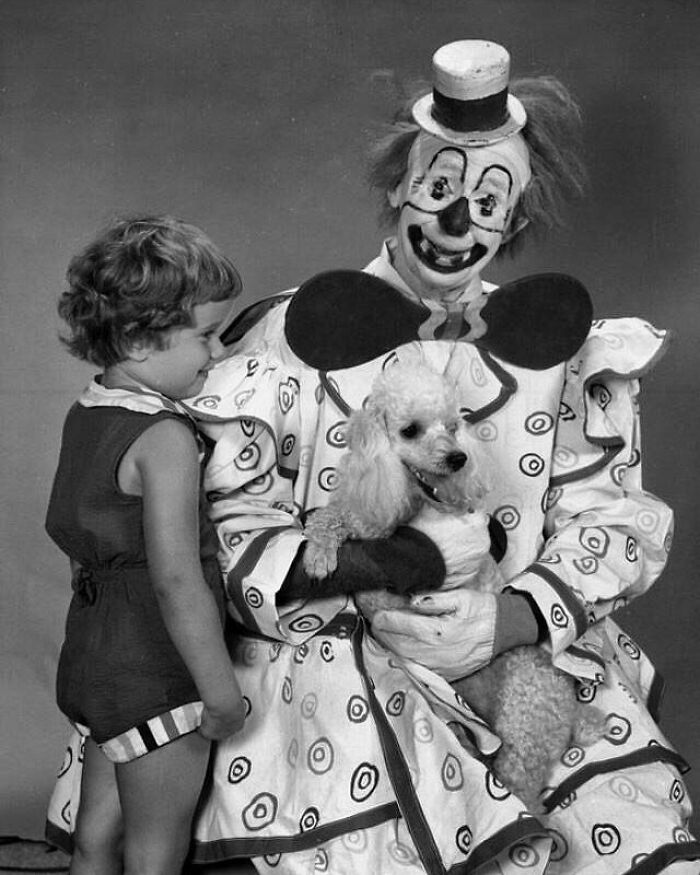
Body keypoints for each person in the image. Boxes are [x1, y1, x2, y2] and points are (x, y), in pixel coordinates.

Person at [47, 41, 700, 873]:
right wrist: (374, 570)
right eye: (438, 189)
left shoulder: (568, 350)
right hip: (329, 659)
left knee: (620, 836)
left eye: (487, 202)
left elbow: (611, 518)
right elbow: (220, 523)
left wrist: (509, 619)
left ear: (514, 221)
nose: (457, 222)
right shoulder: (275, 337)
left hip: (512, 651)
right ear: (399, 187)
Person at [44, 215, 247, 874]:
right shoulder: (164, 437)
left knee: (95, 839)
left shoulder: (88, 411)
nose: (218, 352)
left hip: (94, 659)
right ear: (137, 339)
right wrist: (219, 691)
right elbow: (176, 580)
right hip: (158, 672)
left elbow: (79, 536)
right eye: (206, 335)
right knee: (156, 851)